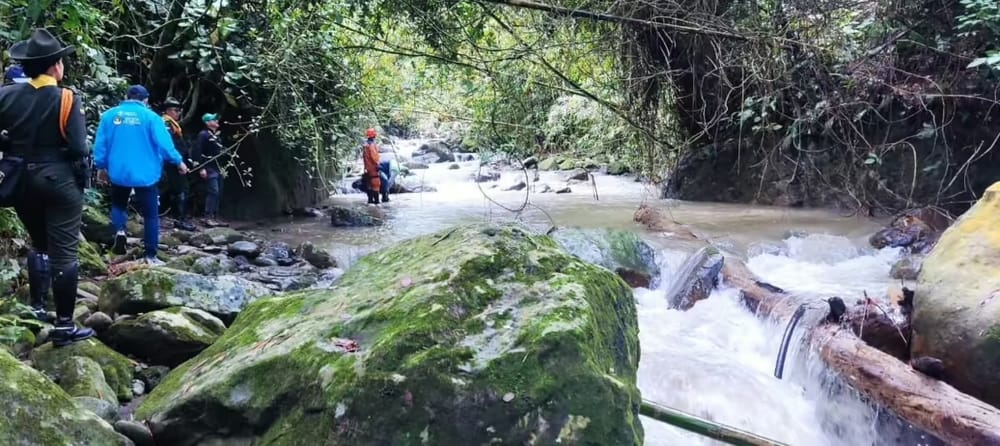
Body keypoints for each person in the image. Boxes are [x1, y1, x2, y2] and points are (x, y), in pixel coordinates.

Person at [0, 28, 93, 345]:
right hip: (58, 181)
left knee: (39, 245)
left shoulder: (5, 95)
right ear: (55, 66)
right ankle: (65, 326)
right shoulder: (67, 98)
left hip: (19, 181)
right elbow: (80, 148)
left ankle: (38, 308)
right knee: (64, 252)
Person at [94, 85, 188, 262]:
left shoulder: (109, 116)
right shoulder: (152, 118)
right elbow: (165, 145)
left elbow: (101, 145)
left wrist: (101, 167)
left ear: (126, 96)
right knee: (151, 214)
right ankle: (150, 255)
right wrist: (179, 161)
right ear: (145, 100)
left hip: (119, 171)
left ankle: (120, 231)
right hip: (146, 174)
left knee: (119, 204)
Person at [160, 97, 196, 231]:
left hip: (175, 162)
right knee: (182, 189)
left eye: (179, 110)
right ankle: (180, 219)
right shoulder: (166, 124)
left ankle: (178, 218)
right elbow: (170, 145)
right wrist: (178, 163)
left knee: (177, 190)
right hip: (172, 163)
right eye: (175, 110)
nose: (178, 113)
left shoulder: (172, 124)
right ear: (168, 111)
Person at [192, 113, 224, 226]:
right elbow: (197, 151)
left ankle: (215, 216)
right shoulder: (203, 135)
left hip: (218, 167)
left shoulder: (217, 136)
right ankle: (208, 217)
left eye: (216, 119)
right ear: (207, 122)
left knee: (218, 191)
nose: (216, 121)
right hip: (208, 166)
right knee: (213, 191)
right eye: (213, 119)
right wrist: (201, 168)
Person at [362, 128, 381, 204]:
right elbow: (374, 156)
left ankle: (370, 201)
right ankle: (376, 202)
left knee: (369, 184)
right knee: (376, 184)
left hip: (367, 168)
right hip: (373, 168)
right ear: (374, 135)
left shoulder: (365, 145)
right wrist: (378, 164)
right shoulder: (372, 145)